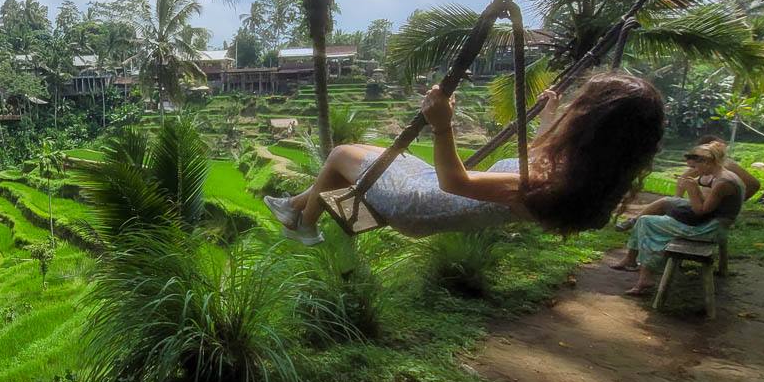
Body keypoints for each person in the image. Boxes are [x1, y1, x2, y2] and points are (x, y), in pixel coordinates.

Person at [264, 71, 666, 244]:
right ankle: (294, 207)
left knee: (340, 154)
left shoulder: (548, 183)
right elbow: (539, 157)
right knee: (377, 154)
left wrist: (442, 125)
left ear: (594, 122)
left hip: (421, 204)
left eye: (582, 106)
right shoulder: (582, 176)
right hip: (432, 195)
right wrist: (547, 117)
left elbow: (456, 183)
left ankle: (304, 226)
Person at [611, 140, 750, 295]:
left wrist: (692, 190)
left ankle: (646, 278)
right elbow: (704, 200)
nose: (693, 171)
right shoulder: (718, 175)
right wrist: (692, 187)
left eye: (695, 167)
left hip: (710, 229)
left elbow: (699, 211)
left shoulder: (723, 182)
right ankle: (631, 260)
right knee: (664, 203)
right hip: (711, 220)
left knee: (646, 222)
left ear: (707, 162)